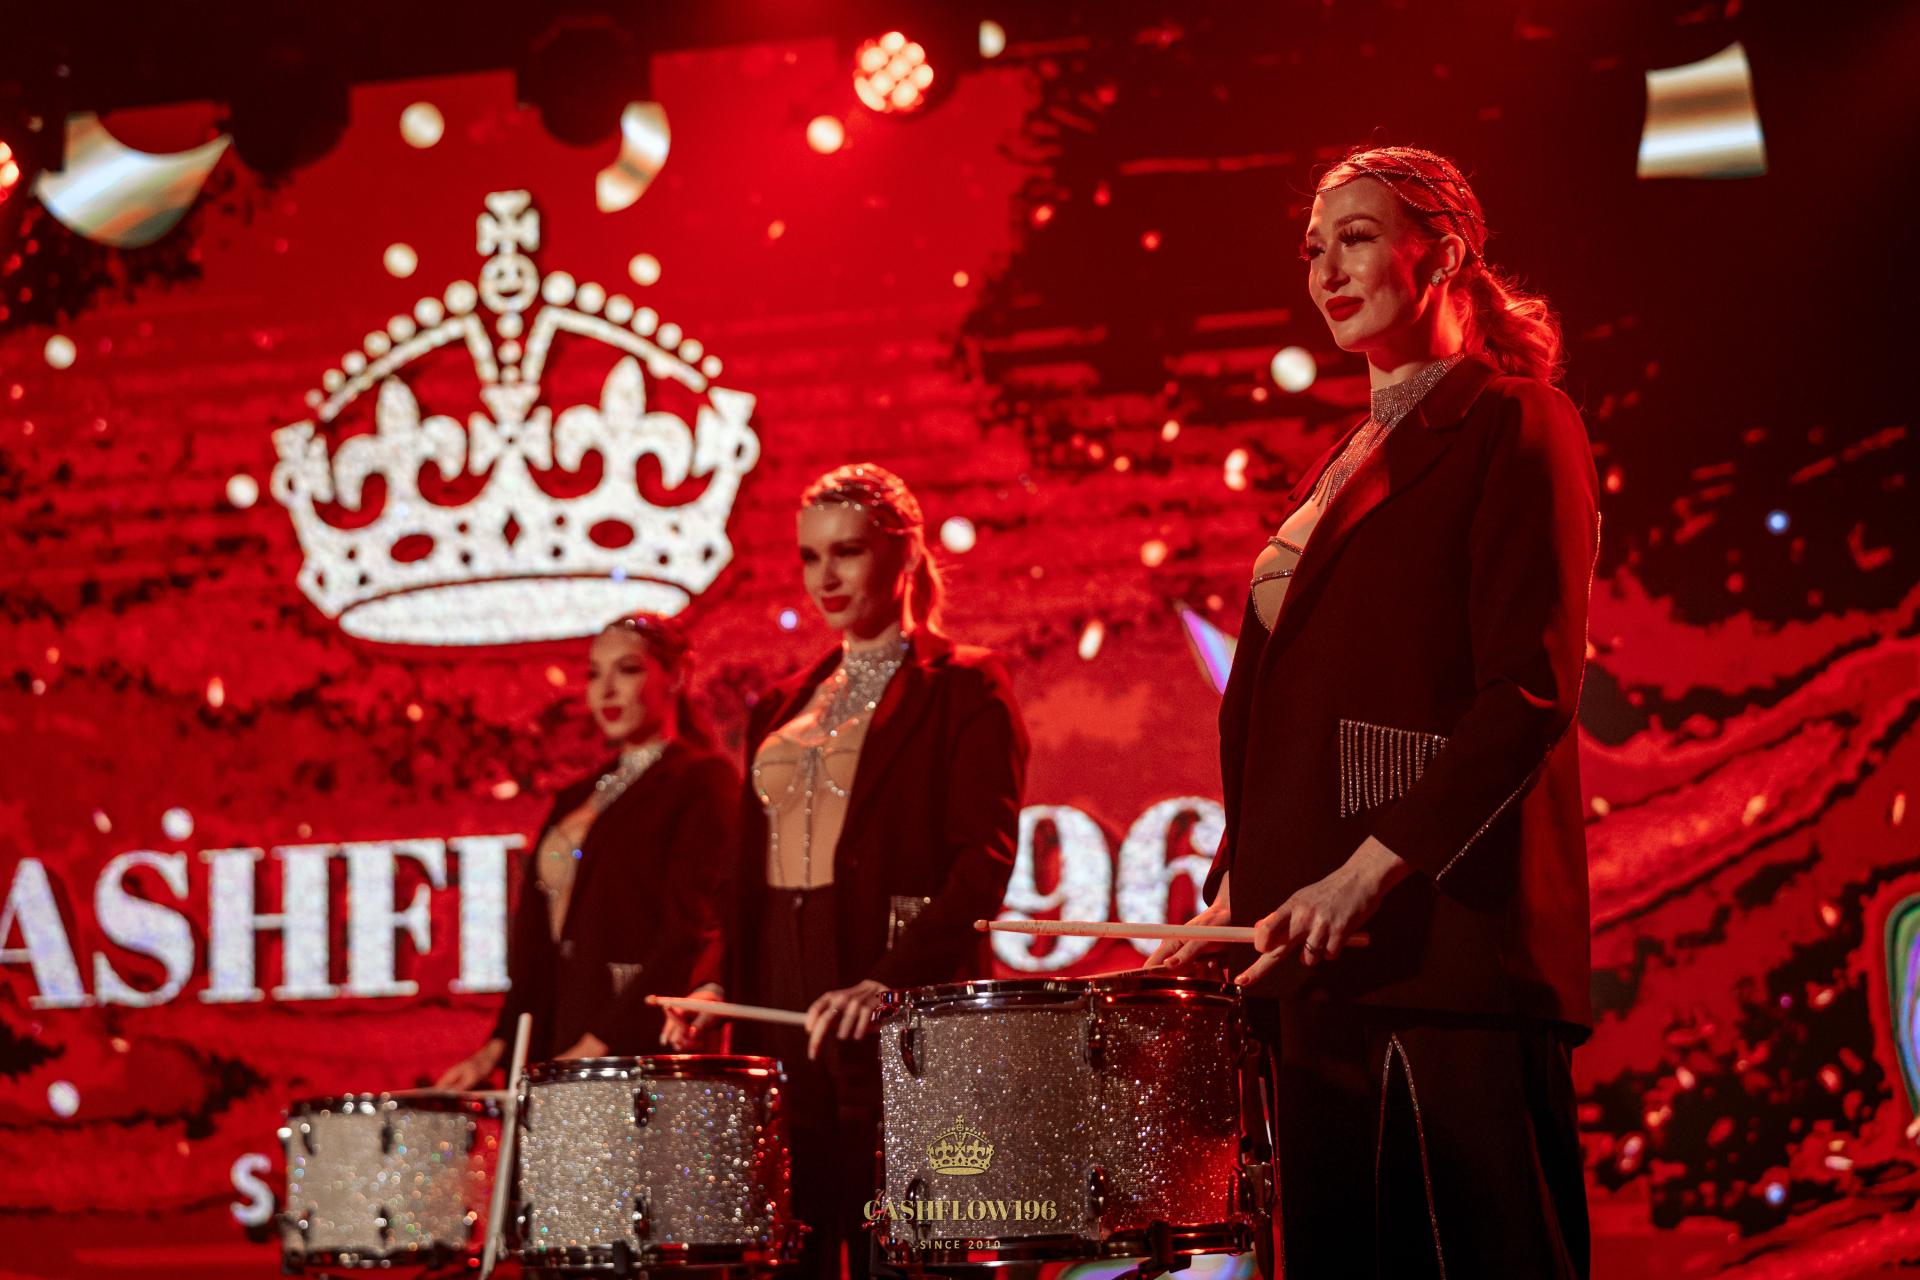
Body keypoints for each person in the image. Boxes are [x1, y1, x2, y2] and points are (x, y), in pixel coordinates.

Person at [1148, 146, 1600, 1278]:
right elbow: (1300, 711)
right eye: (1314, 249)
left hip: (1445, 955)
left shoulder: (1516, 420)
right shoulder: (1335, 465)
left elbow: (1529, 689)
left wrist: (1370, 871)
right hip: (1314, 965)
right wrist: (1236, 891)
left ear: (1442, 254)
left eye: (1355, 237)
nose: (1327, 272)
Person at [663, 462, 1029, 1280]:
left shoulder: (964, 684)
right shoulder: (780, 703)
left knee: (895, 1247)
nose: (825, 577)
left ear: (906, 554)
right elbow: (738, 877)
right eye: (810, 556)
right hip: (777, 996)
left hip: (890, 1005)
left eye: (848, 552)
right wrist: (715, 982)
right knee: (789, 1241)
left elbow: (983, 863)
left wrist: (888, 981)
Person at [436, 611, 735, 1087]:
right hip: (563, 1029)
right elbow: (538, 944)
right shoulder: (576, 795)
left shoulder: (701, 781)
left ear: (676, 676)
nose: (606, 690)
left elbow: (686, 934)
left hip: (635, 1050)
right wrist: (497, 1046)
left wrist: (600, 1042)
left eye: (628, 670)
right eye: (595, 674)